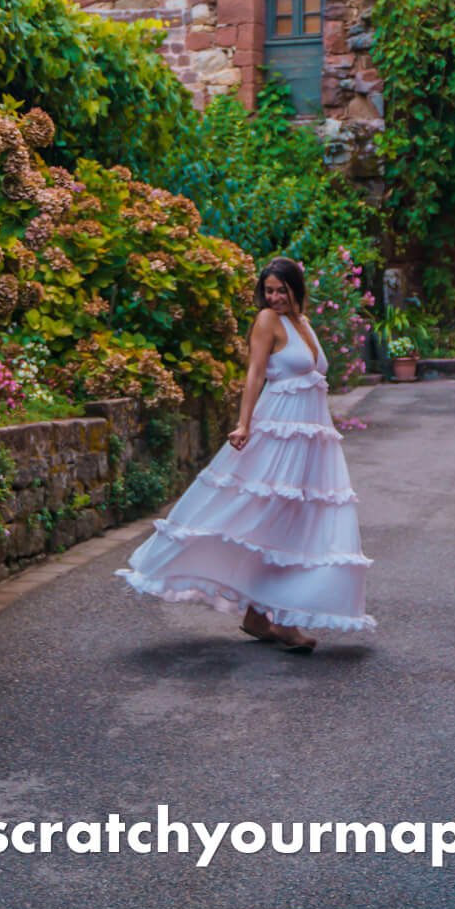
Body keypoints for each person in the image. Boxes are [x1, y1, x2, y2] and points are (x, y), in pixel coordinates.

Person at [115, 255, 374, 652]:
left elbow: (312, 379)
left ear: (296, 290)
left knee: (300, 520)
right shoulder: (267, 321)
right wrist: (243, 422)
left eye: (281, 291)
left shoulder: (303, 324)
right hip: (278, 432)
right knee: (273, 517)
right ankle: (283, 620)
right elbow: (255, 373)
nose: (273, 298)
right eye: (268, 291)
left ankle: (258, 616)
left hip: (310, 438)